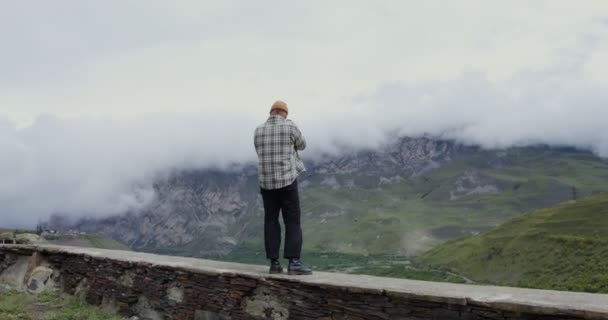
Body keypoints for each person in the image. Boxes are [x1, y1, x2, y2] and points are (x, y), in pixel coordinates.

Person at [254, 100, 312, 275]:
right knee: (292, 220)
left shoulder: (258, 130)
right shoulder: (290, 126)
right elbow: (302, 145)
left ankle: (274, 264)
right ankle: (294, 262)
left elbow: (259, 151)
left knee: (271, 221)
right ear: (285, 113)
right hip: (287, 181)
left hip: (266, 183)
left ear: (271, 112)